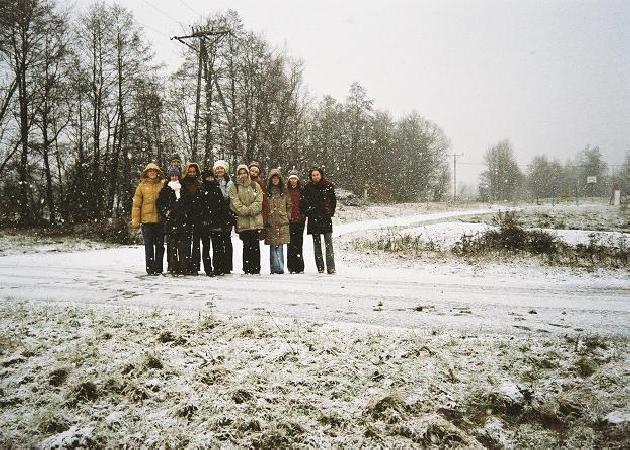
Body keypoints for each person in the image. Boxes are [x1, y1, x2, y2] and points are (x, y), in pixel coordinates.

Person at [131, 163, 165, 275]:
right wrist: (135, 220)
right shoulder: (141, 186)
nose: (152, 173)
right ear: (146, 173)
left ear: (157, 173)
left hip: (160, 221)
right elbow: (136, 205)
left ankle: (158, 268)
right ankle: (150, 269)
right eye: (150, 171)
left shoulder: (162, 184)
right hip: (146, 222)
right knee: (149, 247)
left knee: (160, 247)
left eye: (154, 171)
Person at [229, 164, 264, 274]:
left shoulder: (255, 185)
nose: (243, 175)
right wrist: (243, 210)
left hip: (255, 220)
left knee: (255, 245)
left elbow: (259, 201)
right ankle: (247, 267)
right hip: (242, 221)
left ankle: (256, 268)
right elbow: (234, 202)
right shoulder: (235, 187)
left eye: (244, 173)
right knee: (246, 245)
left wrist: (251, 209)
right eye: (240, 173)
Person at [301, 166, 337, 274]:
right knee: (316, 245)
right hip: (313, 219)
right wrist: (309, 211)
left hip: (325, 218)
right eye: (313, 175)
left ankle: (331, 267)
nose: (315, 177)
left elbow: (333, 201)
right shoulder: (307, 187)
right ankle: (320, 267)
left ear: (321, 175)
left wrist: (330, 212)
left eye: (317, 175)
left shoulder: (328, 186)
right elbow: (303, 203)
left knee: (328, 243)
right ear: (310, 176)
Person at [158, 167, 192, 275]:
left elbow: (189, 202)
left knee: (182, 247)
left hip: (182, 221)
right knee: (172, 247)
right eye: (172, 175)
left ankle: (184, 267)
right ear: (169, 176)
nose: (174, 177)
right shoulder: (165, 189)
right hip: (171, 221)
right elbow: (159, 203)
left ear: (178, 176)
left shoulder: (183, 188)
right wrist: (166, 211)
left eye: (175, 175)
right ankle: (172, 267)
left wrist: (185, 212)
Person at [200, 167, 231, 276]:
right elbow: (199, 207)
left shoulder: (217, 189)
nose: (209, 179)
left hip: (217, 222)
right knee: (206, 247)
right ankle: (208, 268)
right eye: (207, 177)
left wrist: (222, 220)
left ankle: (218, 267)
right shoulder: (201, 190)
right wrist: (204, 219)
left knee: (217, 247)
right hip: (205, 223)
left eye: (211, 177)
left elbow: (222, 207)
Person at [265, 169, 292, 274]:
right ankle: (273, 267)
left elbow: (289, 205)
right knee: (273, 245)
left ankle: (280, 268)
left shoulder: (284, 192)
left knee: (280, 245)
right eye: (273, 178)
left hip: (282, 221)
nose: (275, 180)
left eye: (277, 178)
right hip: (271, 221)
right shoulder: (267, 192)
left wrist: (287, 216)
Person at [181, 162, 205, 275]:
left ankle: (195, 266)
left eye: (194, 171)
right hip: (186, 216)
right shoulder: (182, 184)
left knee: (196, 242)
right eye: (190, 171)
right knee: (186, 242)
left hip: (198, 216)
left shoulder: (199, 184)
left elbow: (203, 200)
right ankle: (185, 266)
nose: (192, 173)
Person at [213, 160, 234, 275]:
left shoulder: (229, 182)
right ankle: (217, 265)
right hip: (215, 215)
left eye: (221, 168)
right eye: (217, 169)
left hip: (226, 214)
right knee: (216, 241)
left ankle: (227, 266)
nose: (219, 170)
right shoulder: (212, 181)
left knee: (226, 240)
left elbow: (227, 197)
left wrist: (219, 189)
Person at [286, 169, 305, 274]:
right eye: (291, 179)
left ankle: (299, 266)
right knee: (290, 244)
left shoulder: (302, 190)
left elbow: (305, 204)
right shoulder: (286, 191)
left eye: (295, 179)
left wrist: (303, 215)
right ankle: (291, 266)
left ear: (298, 180)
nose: (293, 181)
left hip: (299, 220)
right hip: (289, 220)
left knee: (299, 243)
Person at [249, 159, 269, 241]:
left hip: (257, 213)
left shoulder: (260, 183)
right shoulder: (244, 181)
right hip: (246, 213)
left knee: (255, 239)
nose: (253, 173)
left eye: (255, 171)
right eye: (252, 171)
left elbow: (264, 200)